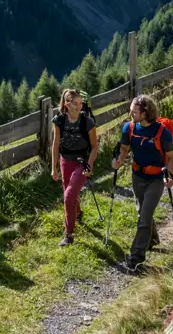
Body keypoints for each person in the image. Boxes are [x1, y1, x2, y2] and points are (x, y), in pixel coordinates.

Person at [111, 94, 173, 271]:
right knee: (142, 211)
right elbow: (124, 149)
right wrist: (118, 161)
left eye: (134, 112)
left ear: (145, 113)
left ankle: (136, 257)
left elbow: (171, 158)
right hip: (137, 175)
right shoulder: (130, 128)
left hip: (156, 178)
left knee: (145, 216)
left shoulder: (163, 133)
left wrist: (169, 175)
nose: (130, 114)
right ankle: (152, 239)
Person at [51, 88, 98, 247]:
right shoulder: (59, 121)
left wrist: (89, 165)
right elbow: (55, 144)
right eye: (75, 103)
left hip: (82, 162)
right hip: (65, 161)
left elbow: (94, 147)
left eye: (80, 103)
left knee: (68, 196)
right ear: (66, 104)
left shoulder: (87, 122)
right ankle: (77, 212)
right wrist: (54, 167)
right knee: (69, 192)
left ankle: (69, 235)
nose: (79, 106)